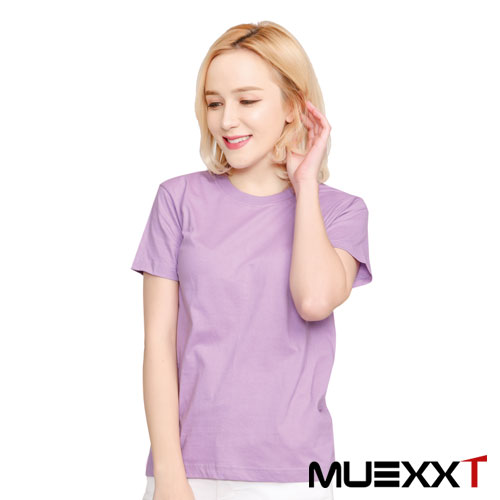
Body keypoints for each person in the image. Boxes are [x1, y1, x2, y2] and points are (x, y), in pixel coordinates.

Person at [131, 20, 373, 500]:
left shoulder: (341, 211)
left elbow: (314, 300)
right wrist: (170, 476)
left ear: (293, 106)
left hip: (294, 474)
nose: (226, 121)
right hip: (188, 471)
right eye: (214, 103)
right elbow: (158, 343)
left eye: (247, 100)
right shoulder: (178, 200)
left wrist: (305, 186)